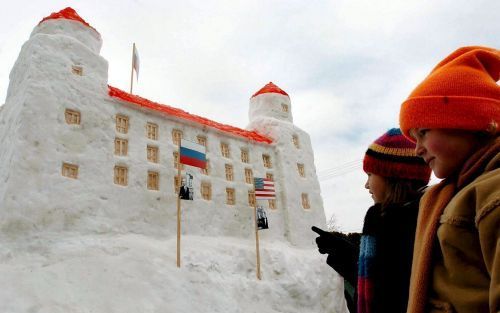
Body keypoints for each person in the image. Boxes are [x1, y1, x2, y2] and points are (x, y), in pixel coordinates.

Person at [399, 46, 499, 313]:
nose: (417, 149)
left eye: (423, 132)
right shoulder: (457, 191)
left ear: (469, 120)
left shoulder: (493, 193)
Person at [313, 128, 431, 313]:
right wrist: (347, 253)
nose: (366, 185)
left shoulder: (420, 226)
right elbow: (384, 283)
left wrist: (350, 256)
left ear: (392, 176)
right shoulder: (386, 222)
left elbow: (394, 295)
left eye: (370, 175)